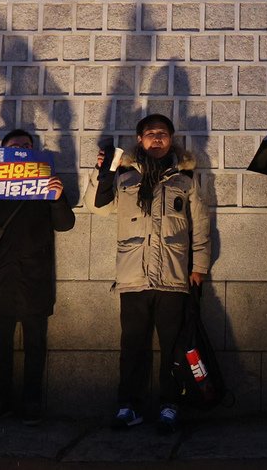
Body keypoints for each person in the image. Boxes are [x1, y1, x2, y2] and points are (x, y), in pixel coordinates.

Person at [95, 113, 211, 432]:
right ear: (140, 140)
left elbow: (200, 226)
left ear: (171, 139)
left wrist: (199, 266)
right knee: (133, 346)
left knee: (173, 346)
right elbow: (100, 208)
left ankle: (170, 405)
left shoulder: (185, 181)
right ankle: (128, 406)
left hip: (174, 277)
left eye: (162, 133)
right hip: (133, 276)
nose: (156, 138)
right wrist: (102, 173)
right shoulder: (125, 177)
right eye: (150, 133)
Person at [0, 128, 75, 425]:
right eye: (14, 146)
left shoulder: (46, 186)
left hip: (34, 277)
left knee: (35, 345)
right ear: (2, 155)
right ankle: (0, 400)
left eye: (27, 146)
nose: (21, 150)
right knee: (0, 345)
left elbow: (65, 224)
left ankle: (31, 402)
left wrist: (56, 198)